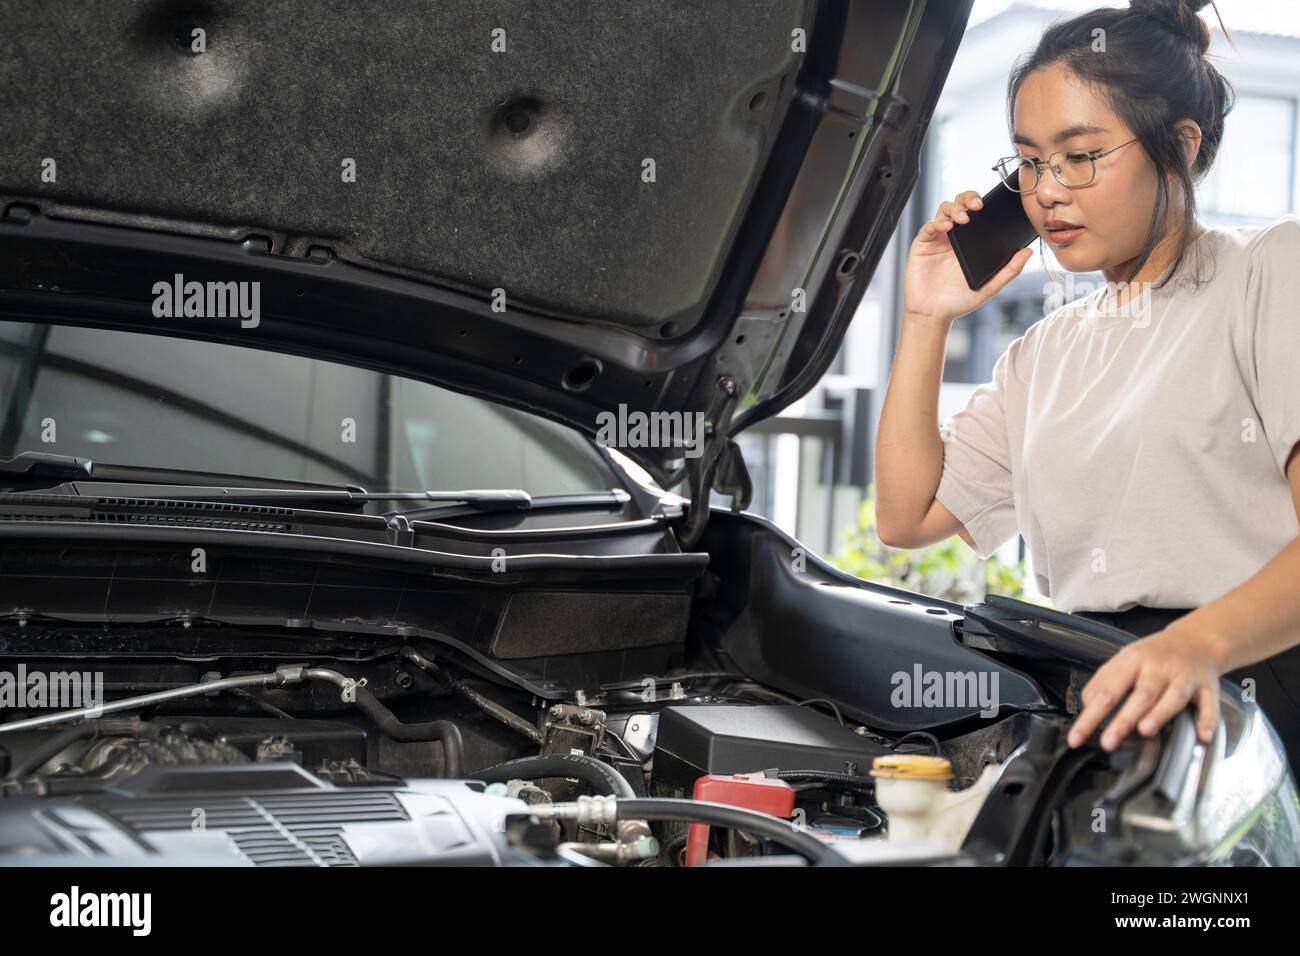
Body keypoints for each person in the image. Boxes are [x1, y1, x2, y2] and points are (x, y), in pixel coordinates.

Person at [874, 0, 1300, 774]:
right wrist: (925, 316)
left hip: (1246, 692)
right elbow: (907, 517)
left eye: (1081, 155)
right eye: (1031, 160)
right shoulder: (1044, 351)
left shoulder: (1271, 270)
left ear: (1179, 144)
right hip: (1099, 694)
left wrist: (1191, 647)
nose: (1047, 191)